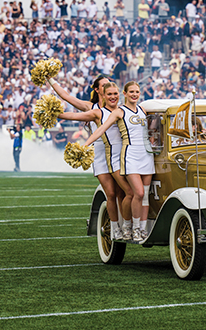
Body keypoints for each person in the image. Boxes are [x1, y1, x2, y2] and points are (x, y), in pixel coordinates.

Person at [48, 75, 130, 240]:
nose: (108, 87)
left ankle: (125, 225)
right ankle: (115, 228)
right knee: (111, 193)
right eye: (104, 85)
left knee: (122, 192)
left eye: (110, 84)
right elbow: (66, 97)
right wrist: (49, 78)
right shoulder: (91, 108)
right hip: (99, 151)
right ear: (97, 89)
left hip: (118, 153)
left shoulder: (119, 108)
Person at [85, 82, 155, 241]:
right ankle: (130, 227)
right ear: (125, 93)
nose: (134, 94)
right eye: (131, 91)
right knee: (138, 192)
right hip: (130, 155)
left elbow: (154, 129)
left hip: (147, 155)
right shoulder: (118, 112)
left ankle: (142, 230)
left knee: (144, 197)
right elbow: (101, 130)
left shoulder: (143, 110)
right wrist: (85, 144)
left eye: (137, 91)